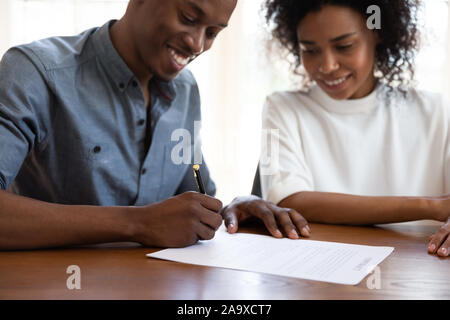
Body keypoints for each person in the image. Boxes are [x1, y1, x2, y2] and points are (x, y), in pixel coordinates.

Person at [0, 0, 310, 250]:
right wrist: (138, 223)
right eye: (189, 17)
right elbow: (153, 222)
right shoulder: (35, 72)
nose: (197, 44)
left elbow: (193, 202)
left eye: (213, 32)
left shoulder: (185, 90)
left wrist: (234, 207)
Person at [223, 0, 450, 257]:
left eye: (344, 46)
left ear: (378, 32)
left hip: (416, 273)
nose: (327, 66)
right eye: (310, 50)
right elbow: (289, 201)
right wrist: (433, 206)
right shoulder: (281, 108)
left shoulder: (437, 112)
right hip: (319, 276)